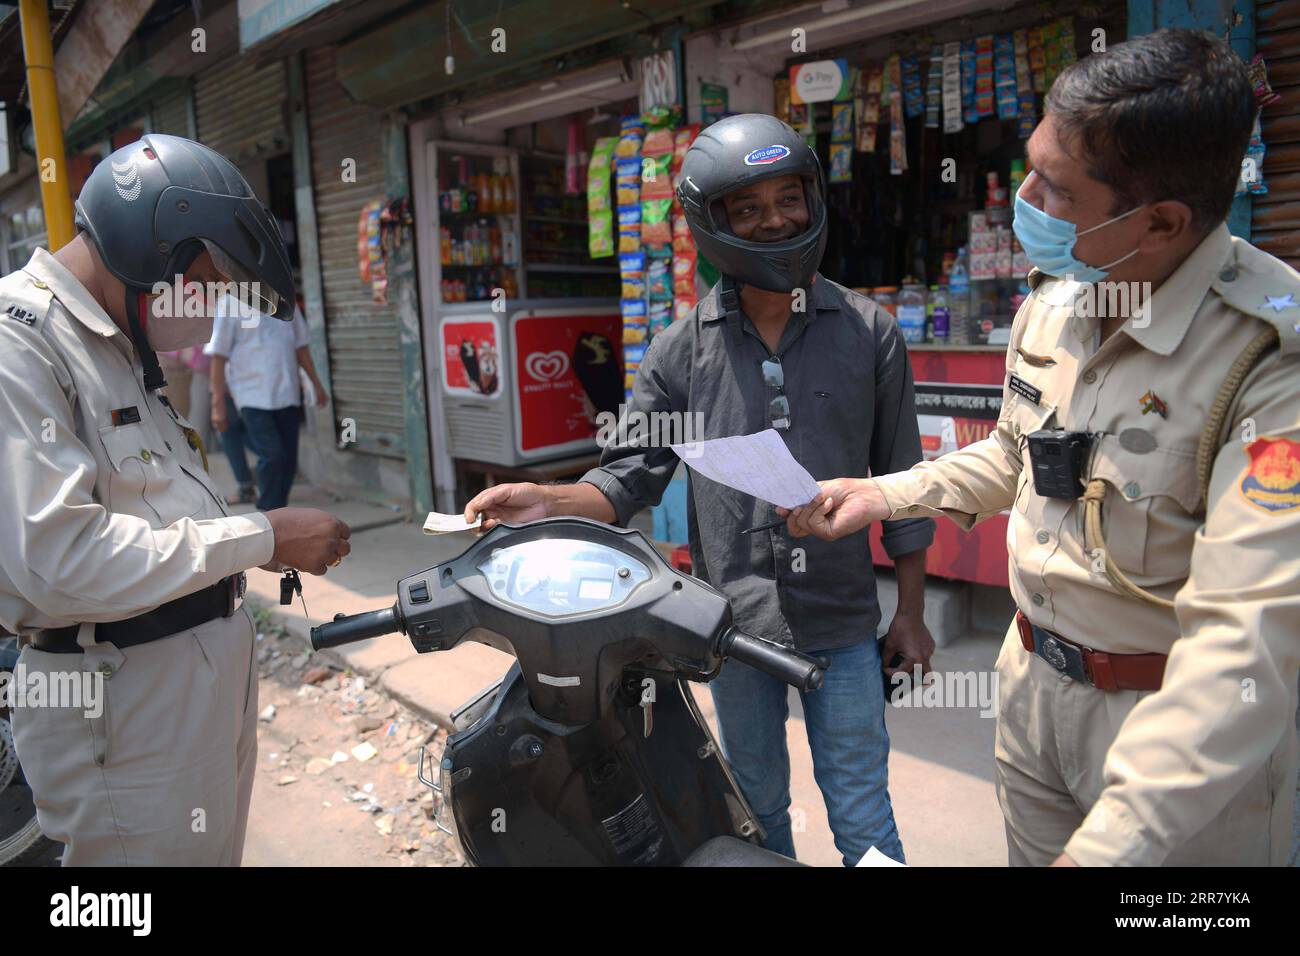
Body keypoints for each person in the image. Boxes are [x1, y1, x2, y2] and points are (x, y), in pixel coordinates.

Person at [783, 29, 1299, 866]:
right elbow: (1020, 460)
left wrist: (1108, 852)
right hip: (1031, 693)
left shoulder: (1269, 361)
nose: (1024, 200)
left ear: (1160, 220)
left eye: (1055, 191)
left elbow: (1249, 640)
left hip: (1167, 744)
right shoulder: (1059, 303)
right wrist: (887, 495)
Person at [465, 114, 935, 865]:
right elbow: (626, 480)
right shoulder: (681, 352)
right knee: (753, 804)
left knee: (862, 809)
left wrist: (909, 613)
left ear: (815, 197)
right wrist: (547, 500)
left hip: (846, 625)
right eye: (747, 208)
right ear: (710, 224)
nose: (774, 218)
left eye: (789, 197)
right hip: (732, 631)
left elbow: (907, 487)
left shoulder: (870, 332)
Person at [0, 133, 351, 865]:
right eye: (209, 279)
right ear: (148, 249)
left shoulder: (118, 342)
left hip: (191, 686)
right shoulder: (20, 343)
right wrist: (263, 537)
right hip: (119, 707)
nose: (215, 301)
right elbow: (60, 562)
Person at [209, 295, 328, 511]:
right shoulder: (230, 302)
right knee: (273, 455)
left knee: (288, 462)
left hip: (287, 393)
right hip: (251, 395)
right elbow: (218, 355)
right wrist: (217, 403)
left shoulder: (285, 300)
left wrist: (316, 384)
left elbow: (301, 346)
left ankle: (278, 512)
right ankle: (268, 512)